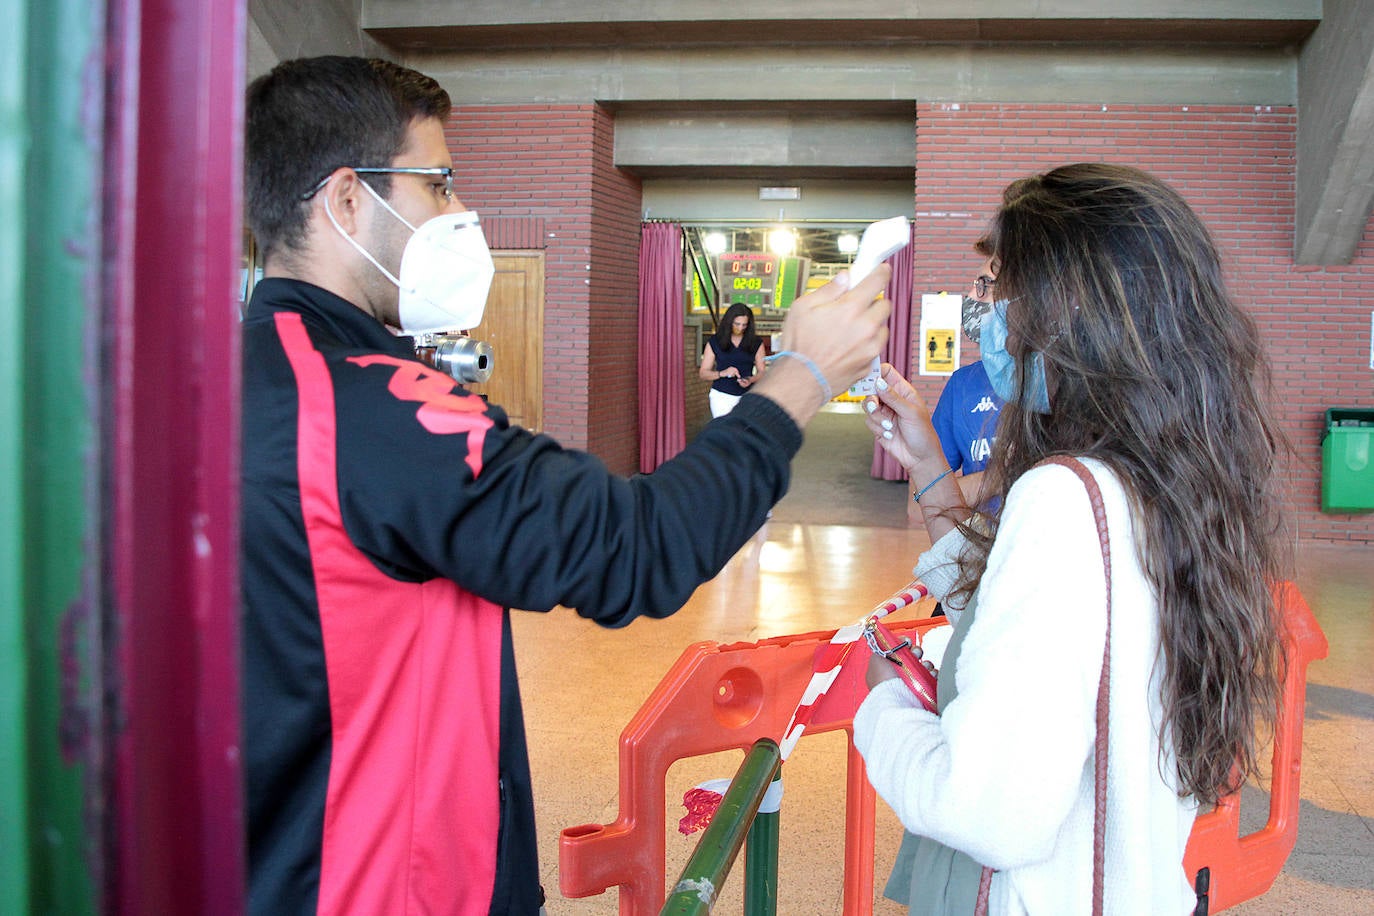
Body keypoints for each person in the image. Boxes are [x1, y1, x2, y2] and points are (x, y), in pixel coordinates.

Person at [240, 56, 891, 915]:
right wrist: (801, 380)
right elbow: (635, 548)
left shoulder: (200, 387)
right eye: (438, 184)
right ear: (349, 198)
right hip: (392, 887)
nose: (461, 212)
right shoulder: (371, 407)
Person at [855, 163, 1288, 914]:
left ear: (1073, 312)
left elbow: (989, 813)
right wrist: (929, 460)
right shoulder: (1174, 485)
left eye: (1002, 293)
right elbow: (1034, 618)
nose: (991, 318)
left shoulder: (1064, 497)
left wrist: (884, 707)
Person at [928, 238, 1004, 507]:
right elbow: (922, 502)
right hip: (982, 547)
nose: (971, 297)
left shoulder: (1065, 385)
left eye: (984, 285)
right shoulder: (963, 384)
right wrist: (1004, 475)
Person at [699, 301, 767, 417]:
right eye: (737, 324)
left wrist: (750, 380)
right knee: (723, 432)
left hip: (746, 396)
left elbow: (762, 372)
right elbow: (703, 373)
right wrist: (723, 373)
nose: (740, 328)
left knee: (743, 432)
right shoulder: (715, 341)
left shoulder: (756, 343)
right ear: (729, 322)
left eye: (744, 325)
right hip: (721, 396)